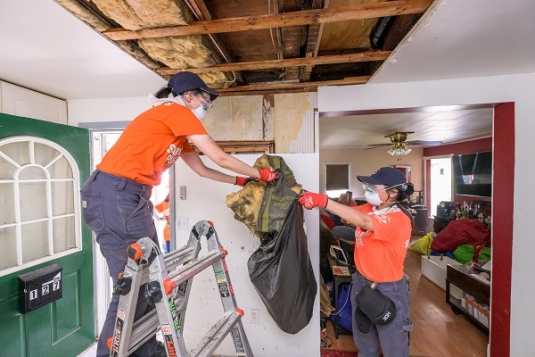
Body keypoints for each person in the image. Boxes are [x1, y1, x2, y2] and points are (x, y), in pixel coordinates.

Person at [80, 71, 279, 357]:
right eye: (206, 99)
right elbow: (219, 157)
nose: (207, 106)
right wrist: (261, 174)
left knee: (148, 282)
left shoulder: (177, 129)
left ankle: (147, 350)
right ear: (188, 96)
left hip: (127, 196)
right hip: (115, 194)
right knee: (131, 286)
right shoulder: (174, 110)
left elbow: (201, 169)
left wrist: (241, 181)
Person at [298, 167, 414, 357]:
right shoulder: (371, 209)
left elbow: (364, 222)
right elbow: (347, 215)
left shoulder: (399, 219)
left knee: (394, 349)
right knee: (365, 344)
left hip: (389, 290)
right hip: (362, 284)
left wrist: (322, 200)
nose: (368, 190)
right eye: (368, 185)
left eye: (374, 187)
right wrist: (307, 196)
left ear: (393, 192)